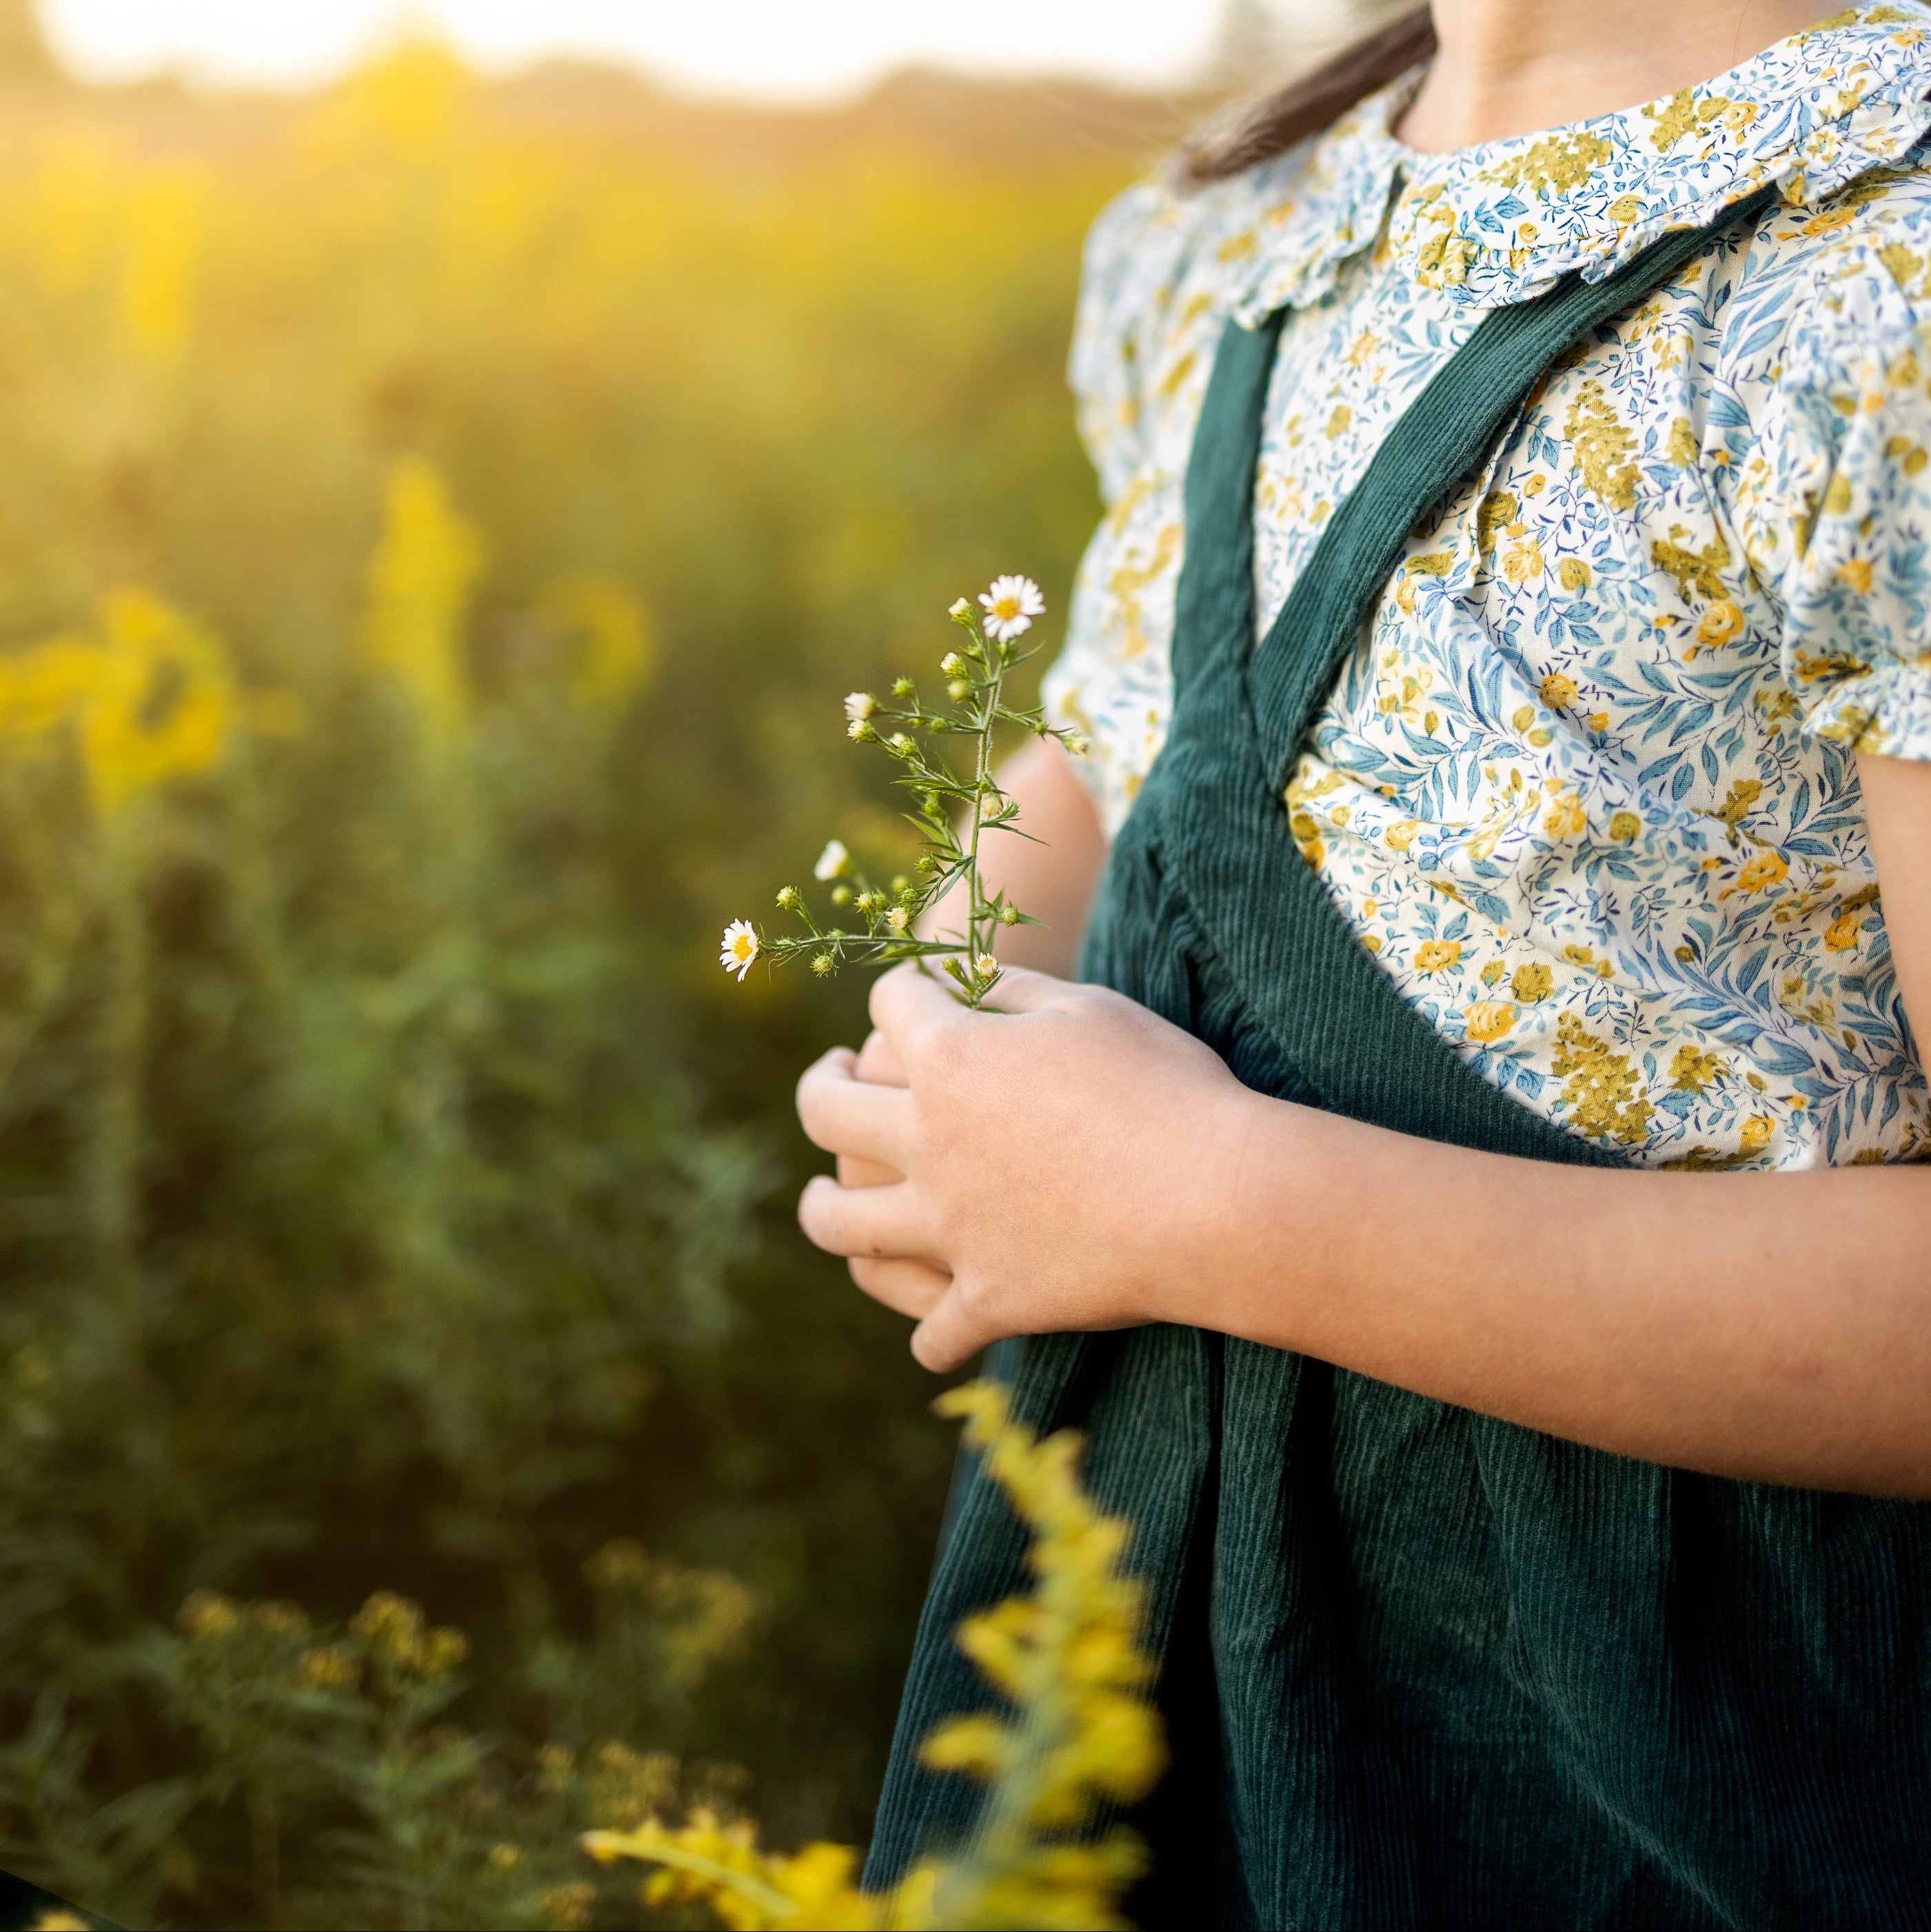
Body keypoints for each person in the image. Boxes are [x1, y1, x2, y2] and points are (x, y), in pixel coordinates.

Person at [796, 3, 1931, 1922]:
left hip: (1686, 1769)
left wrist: (1197, 1196)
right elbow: (1129, 735)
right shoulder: (1232, 229)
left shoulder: (1871, 277)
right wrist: (948, 1041)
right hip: (1161, 1662)